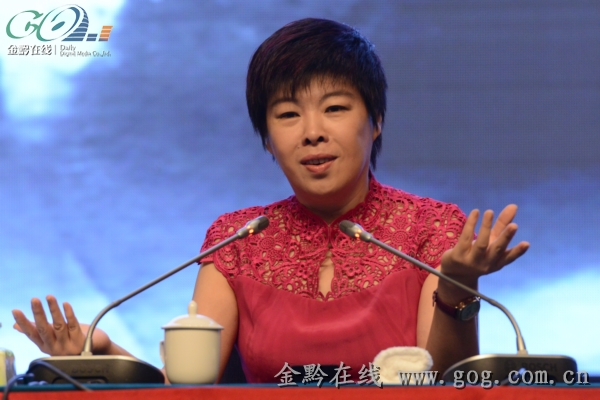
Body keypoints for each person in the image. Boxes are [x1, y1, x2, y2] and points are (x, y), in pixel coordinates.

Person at [12, 18, 529, 383]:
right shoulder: (236, 240)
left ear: (375, 122)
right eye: (287, 115)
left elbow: (443, 383)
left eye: (334, 108)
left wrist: (457, 287)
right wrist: (101, 353)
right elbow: (183, 389)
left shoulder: (431, 229)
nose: (312, 132)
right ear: (267, 140)